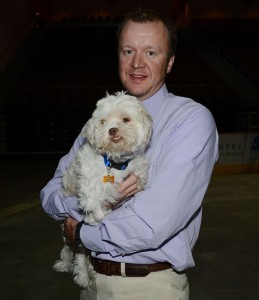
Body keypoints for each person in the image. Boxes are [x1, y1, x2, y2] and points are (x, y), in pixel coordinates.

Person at [40, 8, 218, 300]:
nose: (137, 63)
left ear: (170, 62)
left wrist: (82, 233)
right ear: (118, 57)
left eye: (151, 53)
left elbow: (152, 224)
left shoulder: (190, 120)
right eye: (128, 51)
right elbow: (49, 195)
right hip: (90, 283)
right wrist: (93, 197)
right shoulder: (100, 122)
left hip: (147, 286)